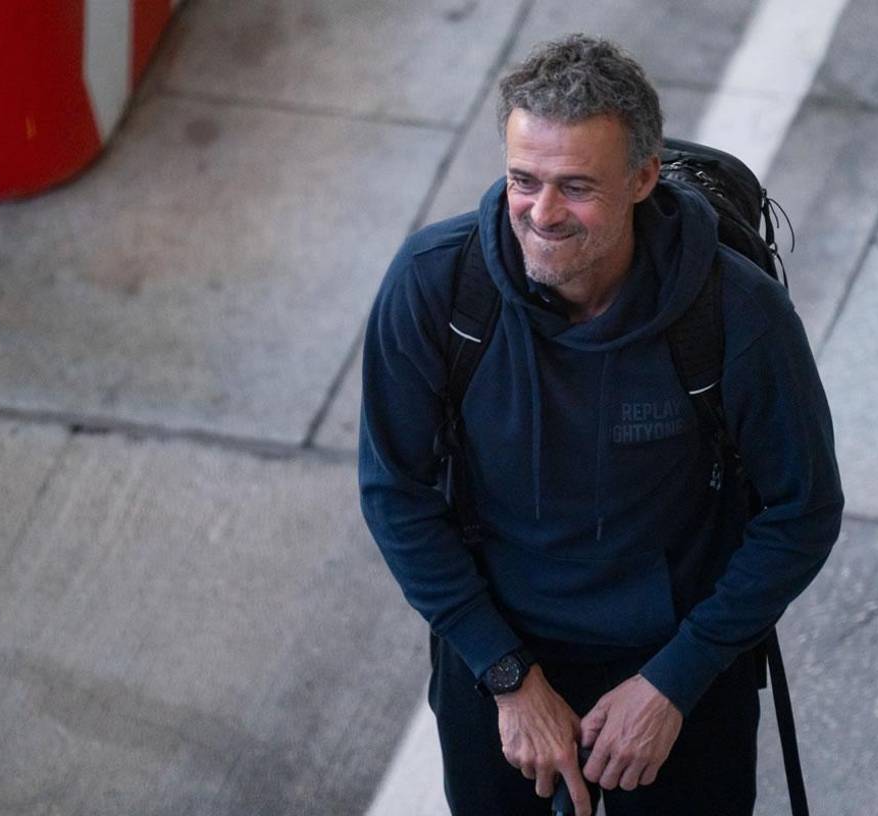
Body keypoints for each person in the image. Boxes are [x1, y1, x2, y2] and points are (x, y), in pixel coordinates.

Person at [359, 34, 843, 816]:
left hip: (676, 667)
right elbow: (395, 494)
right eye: (524, 180)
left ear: (643, 178)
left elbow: (803, 510)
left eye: (576, 186)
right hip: (496, 653)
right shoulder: (437, 288)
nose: (542, 215)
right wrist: (508, 678)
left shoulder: (737, 314)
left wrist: (676, 681)